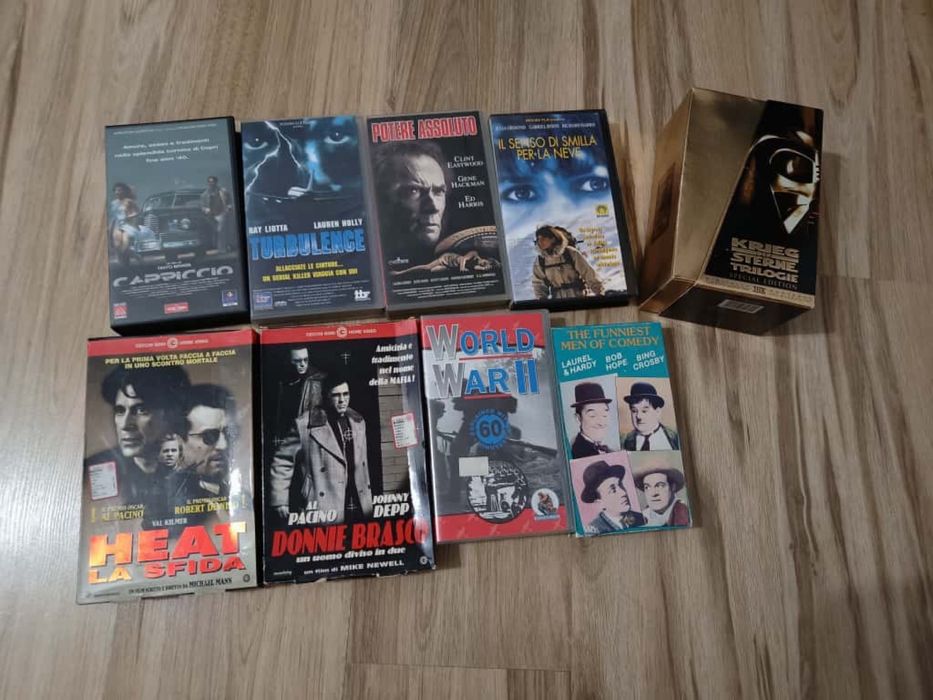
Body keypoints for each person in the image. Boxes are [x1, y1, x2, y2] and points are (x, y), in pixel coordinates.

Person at [269, 375, 373, 523]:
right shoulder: (305, 424)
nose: (342, 400)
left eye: (346, 394)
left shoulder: (357, 421)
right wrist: (280, 500)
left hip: (357, 498)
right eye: (336, 395)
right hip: (323, 501)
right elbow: (282, 460)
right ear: (326, 397)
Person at [85, 366, 189, 509]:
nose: (125, 425)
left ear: (170, 415)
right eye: (120, 411)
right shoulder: (95, 471)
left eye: (141, 410)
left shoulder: (196, 468)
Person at [168, 384, 235, 506]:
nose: (223, 445)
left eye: (227, 434)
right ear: (179, 441)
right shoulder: (165, 498)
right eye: (209, 436)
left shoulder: (241, 496)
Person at [531, 225, 604, 300]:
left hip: (580, 298)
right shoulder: (540, 260)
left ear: (553, 239)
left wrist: (599, 293)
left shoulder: (571, 253)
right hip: (558, 303)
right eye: (538, 239)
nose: (540, 242)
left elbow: (588, 273)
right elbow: (538, 284)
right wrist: (542, 300)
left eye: (543, 239)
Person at [272, 347, 325, 444]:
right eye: (297, 361)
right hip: (289, 437)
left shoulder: (317, 381)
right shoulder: (283, 381)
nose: (303, 364)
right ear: (290, 361)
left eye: (305, 360)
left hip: (309, 438)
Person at [579, 460, 645, 533]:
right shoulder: (594, 530)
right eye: (613, 490)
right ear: (600, 502)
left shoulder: (641, 518)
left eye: (620, 485)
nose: (623, 493)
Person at [622, 382, 680, 451]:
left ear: (657, 412)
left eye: (644, 411)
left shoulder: (675, 438)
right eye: (634, 411)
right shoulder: (626, 441)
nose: (639, 416)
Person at [633, 462, 690, 527]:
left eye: (660, 486)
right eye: (647, 487)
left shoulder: (683, 514)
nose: (653, 493)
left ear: (673, 487)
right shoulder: (642, 516)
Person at [569, 382, 614, 458]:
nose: (601, 423)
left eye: (604, 415)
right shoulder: (578, 453)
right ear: (578, 418)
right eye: (592, 416)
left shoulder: (604, 448)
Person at [200, 175, 233, 250]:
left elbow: (229, 201)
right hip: (210, 216)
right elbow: (202, 206)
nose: (211, 183)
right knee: (215, 231)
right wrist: (206, 209)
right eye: (209, 182)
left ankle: (222, 248)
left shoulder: (223, 191)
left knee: (221, 230)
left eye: (213, 181)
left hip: (221, 213)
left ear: (216, 182)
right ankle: (216, 246)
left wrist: (229, 207)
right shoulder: (204, 194)